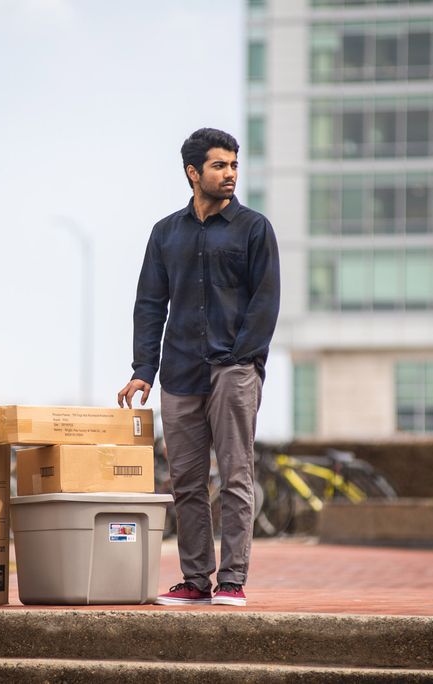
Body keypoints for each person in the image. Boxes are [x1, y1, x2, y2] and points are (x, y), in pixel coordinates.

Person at [117, 128, 280, 607]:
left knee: (235, 476)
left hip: (234, 369)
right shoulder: (166, 233)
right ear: (193, 172)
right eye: (219, 166)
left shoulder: (254, 228)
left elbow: (265, 301)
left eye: (233, 165)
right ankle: (194, 580)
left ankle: (232, 581)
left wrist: (243, 357)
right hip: (181, 371)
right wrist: (143, 368)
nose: (229, 174)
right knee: (185, 482)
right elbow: (150, 304)